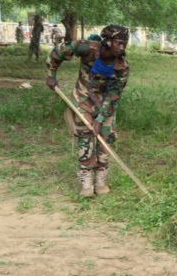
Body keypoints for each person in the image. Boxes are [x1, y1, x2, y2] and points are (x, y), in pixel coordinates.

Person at [45, 24, 130, 198]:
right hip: (83, 99)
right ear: (107, 42)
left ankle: (100, 180)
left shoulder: (122, 67)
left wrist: (99, 120)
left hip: (104, 103)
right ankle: (86, 182)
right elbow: (58, 51)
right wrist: (51, 74)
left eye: (124, 43)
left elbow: (114, 95)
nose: (122, 47)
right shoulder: (87, 48)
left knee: (104, 138)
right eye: (118, 43)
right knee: (85, 137)